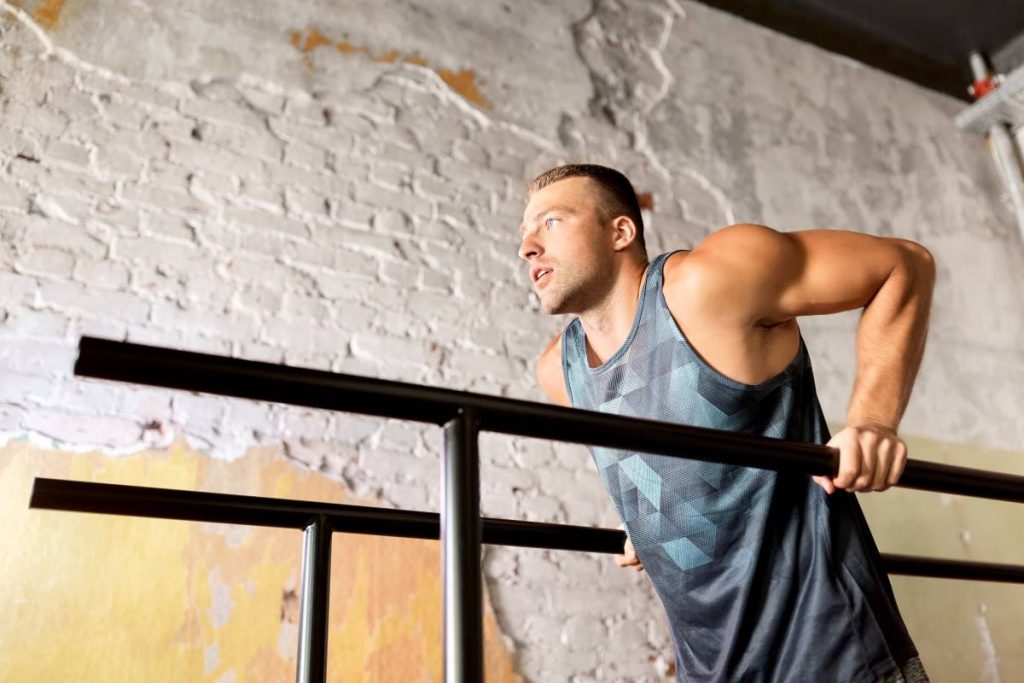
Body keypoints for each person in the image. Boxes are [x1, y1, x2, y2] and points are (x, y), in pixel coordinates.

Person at [520, 164, 935, 682]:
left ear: (620, 231)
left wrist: (873, 422)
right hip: (710, 665)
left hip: (830, 645)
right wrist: (649, 525)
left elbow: (904, 265)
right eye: (524, 234)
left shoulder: (709, 282)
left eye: (551, 222)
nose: (528, 247)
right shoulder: (560, 372)